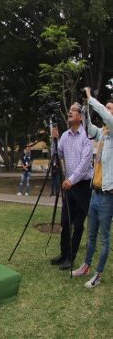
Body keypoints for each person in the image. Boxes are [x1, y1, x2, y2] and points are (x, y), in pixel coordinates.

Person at [71, 88, 113, 288]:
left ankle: (98, 273)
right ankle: (86, 266)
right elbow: (89, 130)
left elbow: (105, 115)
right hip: (95, 192)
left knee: (105, 239)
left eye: (110, 109)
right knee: (91, 234)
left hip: (107, 195)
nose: (107, 110)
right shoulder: (103, 133)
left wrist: (91, 98)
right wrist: (86, 108)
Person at [50, 102, 93, 270]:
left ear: (81, 116)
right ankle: (63, 253)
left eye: (73, 111)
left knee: (78, 224)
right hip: (69, 186)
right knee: (65, 222)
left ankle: (71, 257)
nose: (69, 113)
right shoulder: (65, 136)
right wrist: (54, 139)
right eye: (69, 111)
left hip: (82, 186)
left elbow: (84, 164)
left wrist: (71, 179)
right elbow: (57, 154)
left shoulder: (87, 136)